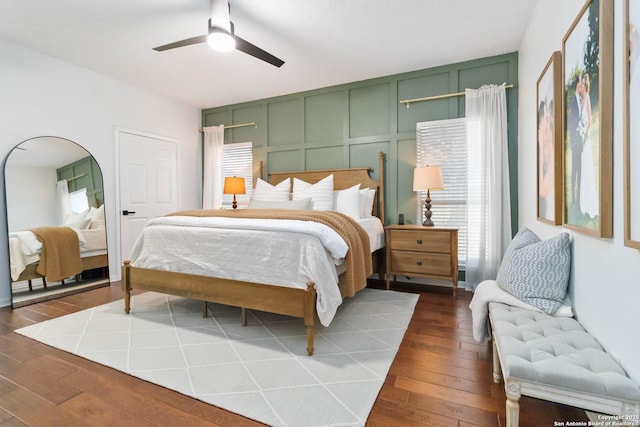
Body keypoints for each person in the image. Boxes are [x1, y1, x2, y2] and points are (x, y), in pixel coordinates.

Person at [578, 73, 598, 218]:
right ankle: (582, 199)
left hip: (586, 138)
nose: (582, 86)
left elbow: (589, 120)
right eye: (581, 84)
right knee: (582, 168)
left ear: (586, 86)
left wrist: (585, 133)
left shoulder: (588, 99)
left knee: (587, 167)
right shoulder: (580, 99)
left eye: (584, 84)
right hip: (581, 137)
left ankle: (589, 200)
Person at [567, 75, 584, 209]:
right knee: (574, 172)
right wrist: (575, 138)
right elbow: (571, 123)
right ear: (576, 85)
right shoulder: (574, 101)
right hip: (575, 143)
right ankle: (574, 201)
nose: (581, 85)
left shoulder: (581, 99)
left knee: (579, 171)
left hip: (581, 142)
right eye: (579, 83)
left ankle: (578, 200)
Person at [538, 99, 555, 219]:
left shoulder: (555, 160)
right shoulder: (547, 154)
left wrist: (540, 146)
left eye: (547, 121)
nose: (543, 128)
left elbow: (543, 190)